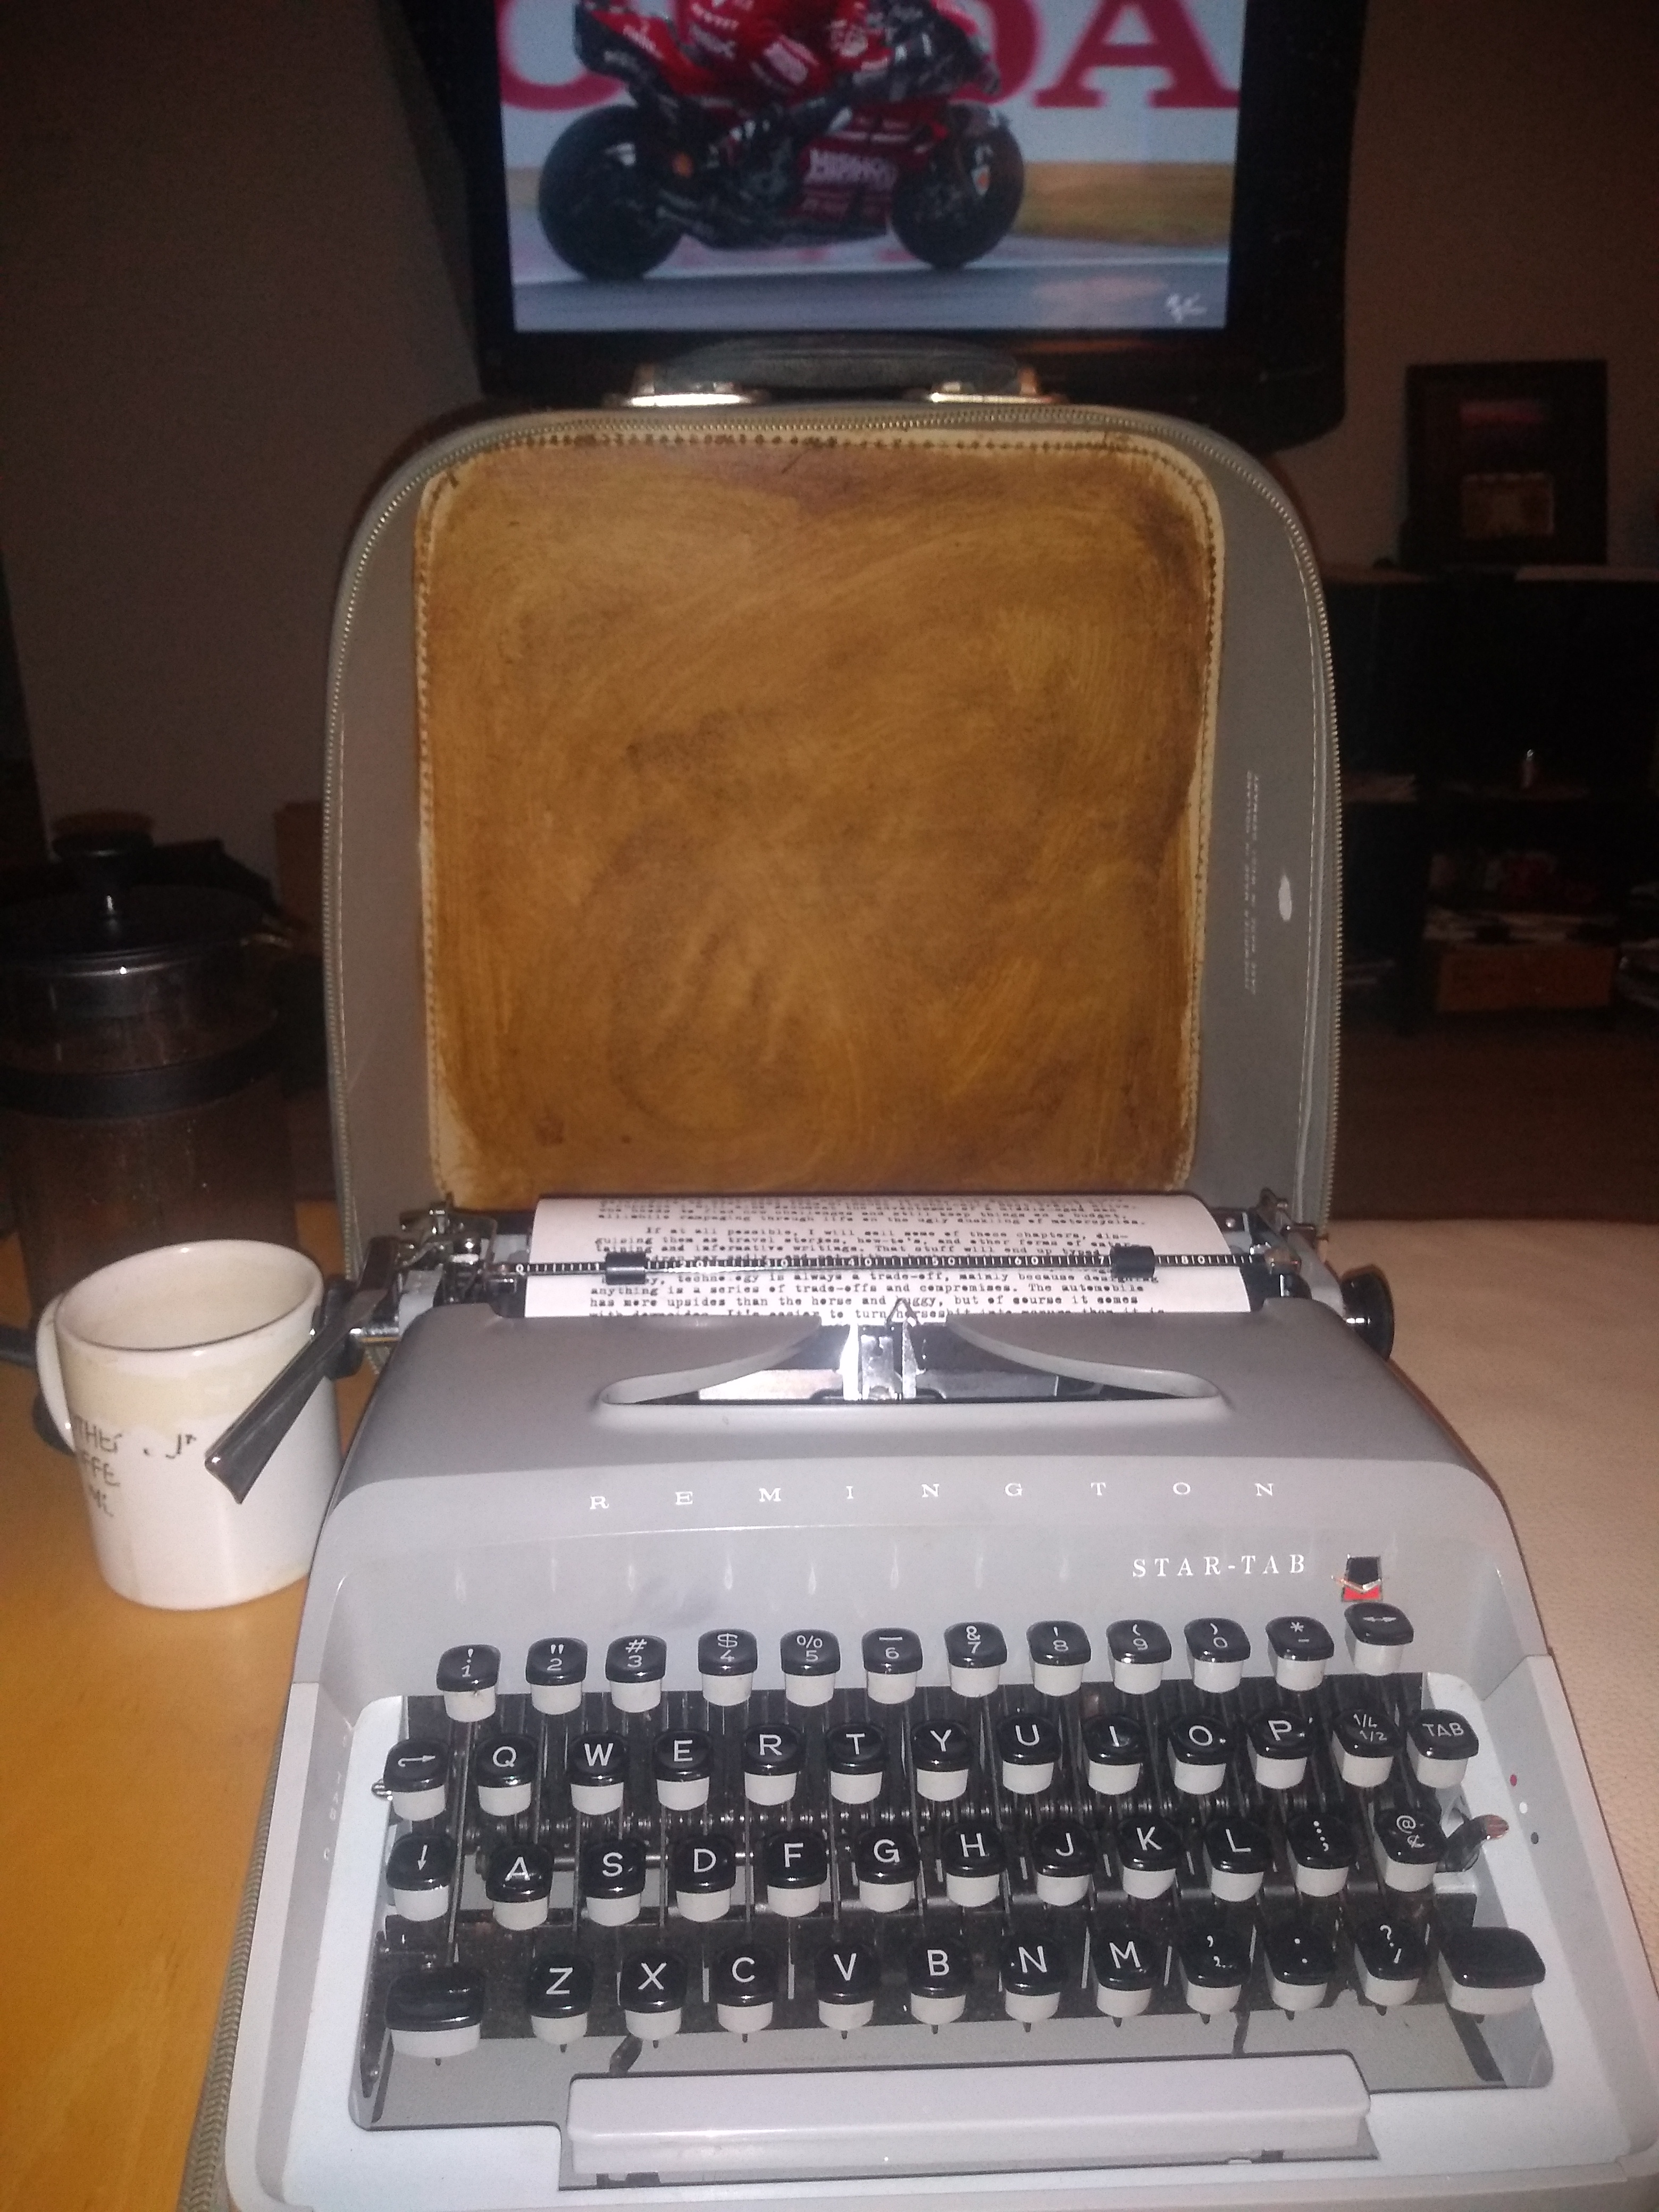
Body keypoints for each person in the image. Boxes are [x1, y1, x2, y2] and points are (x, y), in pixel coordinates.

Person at [680, 0, 982, 206]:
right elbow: (852, 64)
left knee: (795, 72)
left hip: (705, 17)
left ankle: (736, 140)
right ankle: (735, 144)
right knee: (829, 91)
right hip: (748, 33)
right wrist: (913, 51)